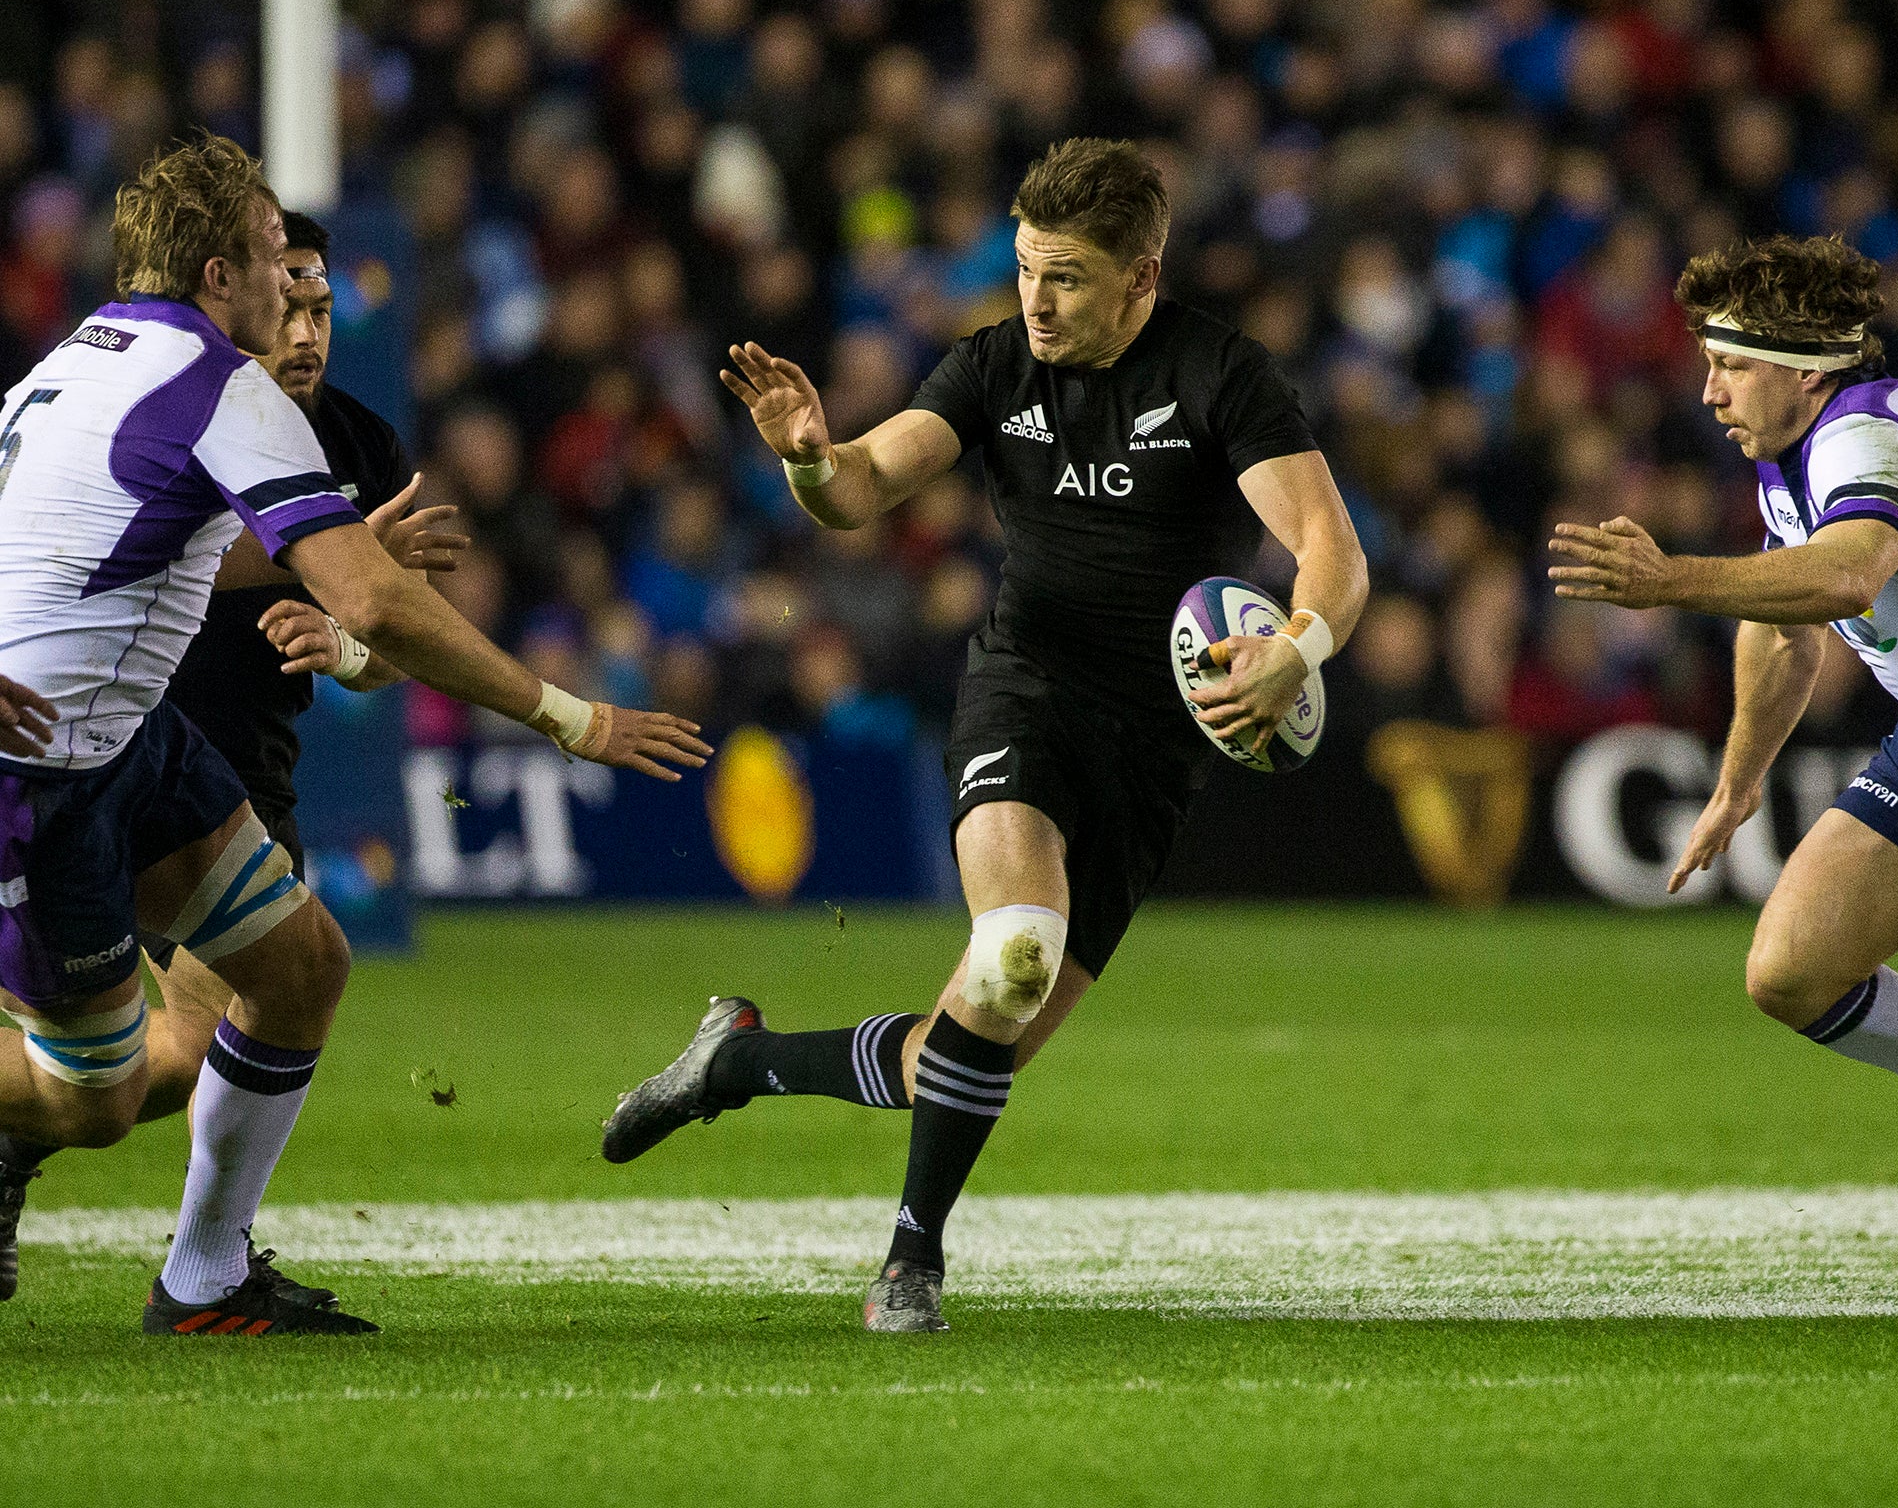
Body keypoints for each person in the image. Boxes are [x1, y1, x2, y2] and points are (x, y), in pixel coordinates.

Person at [603, 138, 1367, 1332]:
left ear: (1142, 279)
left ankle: (735, 1062)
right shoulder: (992, 365)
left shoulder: (1223, 377)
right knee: (1014, 947)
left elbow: (1332, 551)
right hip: (1026, 691)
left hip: (1156, 752)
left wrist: (1295, 647)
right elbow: (861, 488)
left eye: (1064, 277)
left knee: (964, 1051)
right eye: (1024, 269)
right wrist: (809, 457)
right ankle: (911, 1263)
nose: (1036, 299)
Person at [0, 133, 710, 1334]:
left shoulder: (76, 359)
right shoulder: (220, 385)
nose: (300, 290)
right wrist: (569, 716)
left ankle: (204, 1281)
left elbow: (131, 540)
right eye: (279, 260)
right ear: (221, 276)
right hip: (41, 775)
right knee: (99, 1103)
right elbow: (375, 603)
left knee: (302, 966)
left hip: (127, 741)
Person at [1549, 233, 1898, 1270]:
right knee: (1788, 971)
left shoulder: (1867, 445)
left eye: (1729, 364)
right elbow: (1782, 630)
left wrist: (1664, 582)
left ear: (1807, 367)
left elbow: (1842, 583)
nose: (1708, 391)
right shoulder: (1791, 449)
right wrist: (1738, 784)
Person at [0, 208, 463, 1304]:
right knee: (126, 1075)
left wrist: (350, 640)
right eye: (285, 300)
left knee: (195, 1044)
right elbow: (135, 558)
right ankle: (158, 1229)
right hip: (90, 753)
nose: (304, 330)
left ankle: (141, 1225)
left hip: (227, 772)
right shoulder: (157, 397)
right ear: (233, 290)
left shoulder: (357, 447)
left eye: (322, 307)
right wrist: (561, 714)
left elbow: (390, 643)